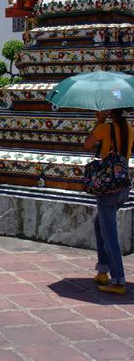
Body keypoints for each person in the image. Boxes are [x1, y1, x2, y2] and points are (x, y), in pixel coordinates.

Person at [84, 108, 133, 295]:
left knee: (109, 235)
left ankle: (118, 281)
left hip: (108, 188)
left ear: (111, 110)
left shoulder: (105, 128)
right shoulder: (130, 129)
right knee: (100, 225)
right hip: (123, 186)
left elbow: (88, 144)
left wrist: (100, 120)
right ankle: (103, 270)